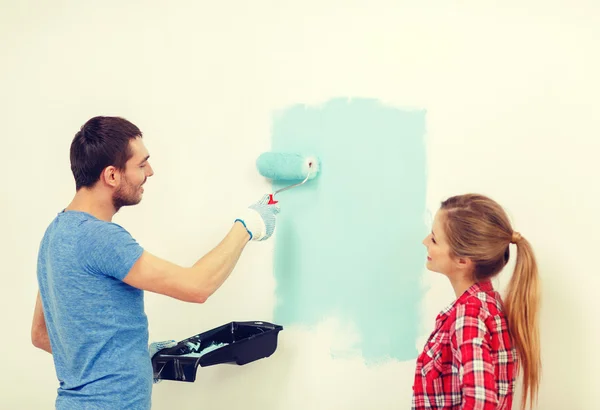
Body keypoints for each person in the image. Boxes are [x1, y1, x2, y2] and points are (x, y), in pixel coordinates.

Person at [30, 116, 279, 409]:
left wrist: (132, 359)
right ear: (111, 175)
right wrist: (248, 226)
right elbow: (197, 287)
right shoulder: (101, 238)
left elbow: (41, 335)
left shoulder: (55, 234)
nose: (150, 171)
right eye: (141, 164)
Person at [412, 194, 541, 410]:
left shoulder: (470, 314)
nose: (425, 241)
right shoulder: (486, 305)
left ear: (463, 260)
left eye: (434, 239)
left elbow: (480, 403)